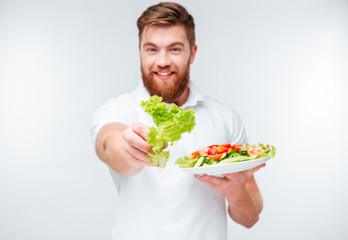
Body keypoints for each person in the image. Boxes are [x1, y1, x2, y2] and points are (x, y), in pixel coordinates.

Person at [90, 2, 264, 240]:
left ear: (192, 53)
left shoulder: (225, 117)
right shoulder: (120, 109)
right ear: (140, 51)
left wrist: (235, 192)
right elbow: (109, 145)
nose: (162, 61)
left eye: (174, 49)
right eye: (151, 49)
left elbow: (250, 217)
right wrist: (128, 149)